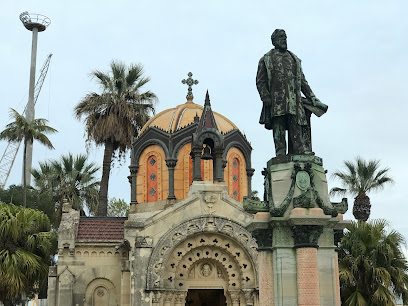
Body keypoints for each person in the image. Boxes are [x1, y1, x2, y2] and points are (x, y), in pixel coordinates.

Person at [256, 29, 324, 157]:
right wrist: (265, 96)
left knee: (296, 127)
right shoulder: (266, 59)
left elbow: (303, 82)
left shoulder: (294, 59)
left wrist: (312, 97)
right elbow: (260, 81)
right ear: (274, 41)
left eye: (285, 37)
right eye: (281, 37)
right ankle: (280, 154)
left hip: (294, 100)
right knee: (279, 128)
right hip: (277, 101)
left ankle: (300, 150)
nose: (284, 40)